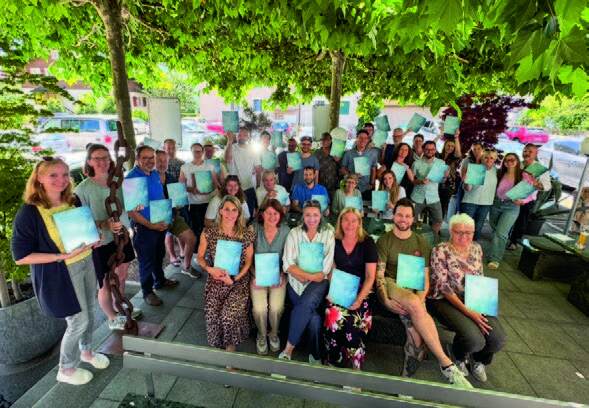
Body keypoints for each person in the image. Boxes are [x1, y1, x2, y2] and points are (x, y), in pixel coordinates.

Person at [12, 157, 109, 385]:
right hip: (62, 272)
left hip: (86, 262)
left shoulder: (71, 200)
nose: (61, 180)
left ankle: (87, 352)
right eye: (53, 175)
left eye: (65, 174)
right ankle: (65, 369)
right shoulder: (29, 213)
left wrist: (93, 238)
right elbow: (21, 256)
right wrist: (61, 256)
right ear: (39, 178)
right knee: (78, 321)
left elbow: (81, 232)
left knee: (91, 311)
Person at [374, 198, 472, 387]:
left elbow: (425, 279)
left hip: (414, 289)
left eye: (408, 216)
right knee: (413, 303)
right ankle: (446, 363)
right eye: (400, 215)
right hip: (393, 283)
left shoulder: (421, 242)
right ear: (394, 215)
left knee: (417, 338)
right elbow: (379, 275)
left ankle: (406, 381)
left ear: (413, 218)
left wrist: (419, 300)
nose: (403, 219)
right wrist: (385, 300)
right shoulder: (385, 241)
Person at [428, 213, 506, 382]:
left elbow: (480, 277)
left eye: (468, 232)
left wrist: (487, 302)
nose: (464, 236)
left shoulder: (477, 248)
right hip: (444, 299)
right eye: (459, 232)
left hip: (474, 296)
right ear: (450, 231)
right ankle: (458, 355)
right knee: (474, 339)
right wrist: (469, 312)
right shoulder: (440, 250)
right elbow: (443, 287)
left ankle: (478, 360)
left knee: (498, 339)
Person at [74, 144, 138, 330]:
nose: (102, 162)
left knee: (122, 275)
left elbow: (128, 204)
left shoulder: (118, 182)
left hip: (121, 237)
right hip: (100, 242)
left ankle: (121, 306)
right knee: (104, 284)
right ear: (89, 161)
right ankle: (112, 318)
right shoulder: (82, 190)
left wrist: (136, 205)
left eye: (105, 157)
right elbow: (82, 222)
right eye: (97, 158)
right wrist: (104, 224)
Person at [197, 195, 255, 352]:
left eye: (234, 210)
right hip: (216, 278)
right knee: (212, 313)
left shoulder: (246, 234)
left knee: (228, 315)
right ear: (221, 211)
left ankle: (230, 350)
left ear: (239, 212)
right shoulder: (209, 233)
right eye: (227, 209)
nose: (231, 213)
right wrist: (210, 269)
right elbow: (200, 257)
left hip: (238, 281)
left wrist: (235, 279)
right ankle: (219, 343)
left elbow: (249, 262)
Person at [280, 200, 335, 363]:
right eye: (308, 215)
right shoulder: (294, 233)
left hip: (318, 284)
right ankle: (316, 356)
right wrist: (304, 275)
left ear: (321, 215)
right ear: (302, 216)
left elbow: (325, 269)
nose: (312, 218)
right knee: (314, 319)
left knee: (307, 303)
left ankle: (288, 350)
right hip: (296, 283)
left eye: (315, 215)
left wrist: (307, 276)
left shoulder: (328, 234)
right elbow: (287, 263)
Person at [324, 208, 376, 369]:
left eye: (354, 220)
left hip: (362, 290)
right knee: (333, 318)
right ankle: (334, 357)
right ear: (340, 222)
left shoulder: (367, 242)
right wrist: (333, 292)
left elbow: (370, 277)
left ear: (359, 223)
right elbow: (331, 270)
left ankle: (355, 365)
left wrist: (359, 298)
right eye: (346, 220)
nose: (350, 224)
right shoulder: (334, 240)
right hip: (339, 288)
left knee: (351, 325)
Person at [127, 145, 179, 306]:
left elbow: (160, 196)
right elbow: (132, 212)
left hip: (159, 224)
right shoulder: (133, 179)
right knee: (146, 260)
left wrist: (166, 217)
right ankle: (147, 292)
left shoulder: (155, 174)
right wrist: (151, 225)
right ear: (137, 159)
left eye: (152, 158)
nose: (150, 161)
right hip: (144, 228)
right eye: (145, 158)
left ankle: (160, 281)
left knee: (159, 254)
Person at [251, 199, 290, 354]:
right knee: (260, 309)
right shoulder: (253, 229)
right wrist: (254, 276)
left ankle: (273, 333)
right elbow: (246, 257)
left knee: (276, 308)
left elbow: (290, 257)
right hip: (256, 277)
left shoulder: (286, 231)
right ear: (262, 214)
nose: (272, 216)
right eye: (268, 213)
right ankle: (261, 335)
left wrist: (283, 274)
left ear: (280, 215)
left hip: (278, 277)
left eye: (275, 213)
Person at [156, 150, 200, 278]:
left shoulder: (171, 178)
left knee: (191, 238)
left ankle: (186, 266)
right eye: (159, 160)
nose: (162, 163)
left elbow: (178, 199)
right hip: (155, 219)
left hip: (173, 216)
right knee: (157, 251)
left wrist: (179, 204)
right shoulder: (149, 178)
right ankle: (158, 280)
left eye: (164, 161)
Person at [508, 143, 552, 250]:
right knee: (508, 219)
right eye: (525, 151)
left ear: (536, 153)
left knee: (520, 222)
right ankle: (505, 237)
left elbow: (547, 186)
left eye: (530, 151)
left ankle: (514, 242)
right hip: (512, 197)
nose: (526, 153)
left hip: (527, 201)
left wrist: (538, 185)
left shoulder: (540, 169)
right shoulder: (518, 164)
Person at [487, 153, 526, 269]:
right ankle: (496, 249)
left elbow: (531, 191)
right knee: (495, 229)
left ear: (517, 161)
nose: (509, 162)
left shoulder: (523, 176)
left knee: (500, 233)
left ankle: (495, 259)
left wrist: (523, 200)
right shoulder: (499, 173)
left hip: (511, 207)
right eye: (506, 160)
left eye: (512, 160)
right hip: (496, 203)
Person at [179, 143, 219, 252]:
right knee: (197, 230)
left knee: (210, 229)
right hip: (194, 203)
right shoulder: (185, 167)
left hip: (210, 203)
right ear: (191, 152)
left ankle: (210, 252)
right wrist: (192, 189)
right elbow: (181, 187)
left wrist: (215, 189)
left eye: (199, 151)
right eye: (195, 151)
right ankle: (197, 254)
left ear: (202, 152)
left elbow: (216, 183)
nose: (197, 153)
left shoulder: (210, 166)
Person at [411, 141, 448, 238]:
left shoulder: (441, 163)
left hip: (434, 197)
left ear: (435, 150)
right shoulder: (416, 163)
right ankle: (413, 238)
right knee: (411, 220)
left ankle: (433, 238)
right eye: (427, 149)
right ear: (423, 149)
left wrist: (445, 177)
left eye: (432, 149)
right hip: (417, 196)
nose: (430, 151)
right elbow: (412, 180)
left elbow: (442, 181)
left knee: (439, 220)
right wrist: (420, 181)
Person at [461, 149, 498, 241]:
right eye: (486, 157)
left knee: (477, 228)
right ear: (482, 158)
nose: (489, 160)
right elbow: (468, 189)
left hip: (486, 204)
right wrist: (466, 181)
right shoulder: (475, 169)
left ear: (495, 159)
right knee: (465, 228)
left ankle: (472, 250)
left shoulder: (496, 171)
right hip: (470, 202)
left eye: (491, 158)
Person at [224, 127, 261, 217]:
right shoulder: (231, 147)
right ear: (236, 136)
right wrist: (229, 141)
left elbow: (258, 169)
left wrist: (258, 186)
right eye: (239, 135)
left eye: (245, 135)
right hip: (233, 188)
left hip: (248, 187)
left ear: (248, 137)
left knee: (248, 214)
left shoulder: (253, 150)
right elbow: (227, 159)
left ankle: (247, 230)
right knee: (233, 214)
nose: (242, 137)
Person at [341, 130, 377, 200]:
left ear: (368, 140)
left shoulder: (373, 153)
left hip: (366, 187)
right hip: (351, 187)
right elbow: (343, 169)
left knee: (365, 208)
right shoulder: (348, 153)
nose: (363, 140)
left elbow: (373, 168)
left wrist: (372, 183)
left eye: (365, 138)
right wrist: (351, 176)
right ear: (356, 138)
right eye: (360, 138)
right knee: (352, 208)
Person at [438, 132, 463, 220]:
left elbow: (459, 154)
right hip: (435, 184)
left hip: (448, 186)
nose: (450, 148)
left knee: (441, 208)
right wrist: (438, 135)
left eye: (452, 146)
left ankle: (437, 229)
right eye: (448, 145)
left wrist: (456, 138)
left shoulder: (454, 159)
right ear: (444, 145)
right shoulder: (438, 156)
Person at [314, 132, 340, 199]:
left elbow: (342, 167)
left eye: (327, 140)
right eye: (322, 139)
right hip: (320, 184)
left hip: (333, 184)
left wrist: (338, 161)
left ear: (331, 141)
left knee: (332, 205)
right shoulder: (317, 152)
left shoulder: (336, 152)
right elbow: (313, 168)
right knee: (321, 204)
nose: (324, 141)